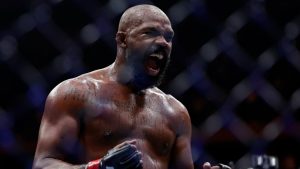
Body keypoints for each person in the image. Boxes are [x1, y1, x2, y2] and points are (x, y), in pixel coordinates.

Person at [33, 4, 222, 169]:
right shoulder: (75, 94)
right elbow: (44, 164)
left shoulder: (175, 112)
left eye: (169, 37)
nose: (163, 42)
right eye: (150, 32)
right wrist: (98, 167)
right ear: (122, 40)